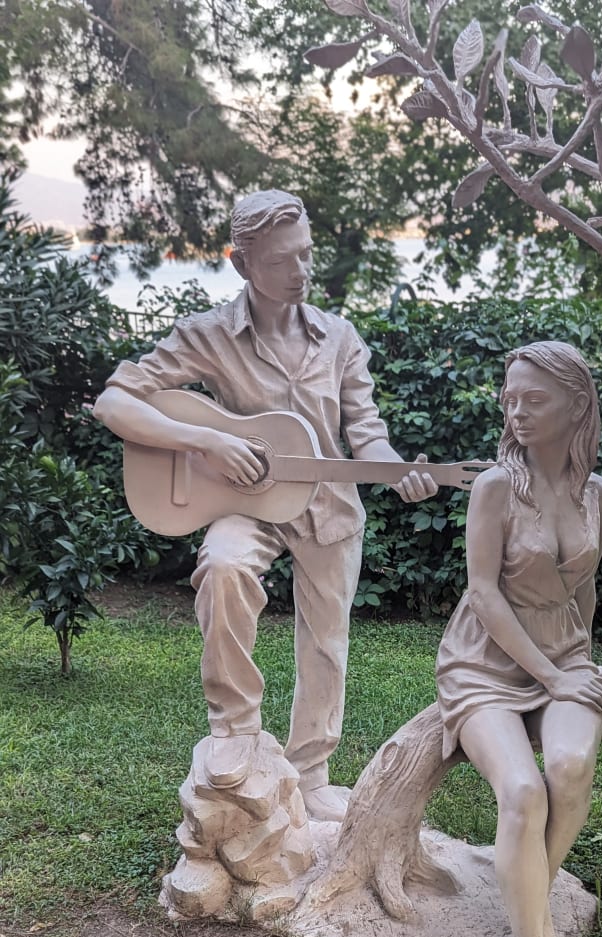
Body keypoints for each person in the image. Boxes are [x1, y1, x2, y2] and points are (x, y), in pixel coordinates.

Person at [94, 190, 437, 822]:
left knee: (326, 642)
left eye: (305, 253)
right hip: (246, 501)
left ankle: (311, 774)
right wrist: (206, 440)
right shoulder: (208, 335)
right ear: (241, 263)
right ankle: (235, 729)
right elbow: (114, 401)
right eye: (281, 261)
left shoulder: (340, 338)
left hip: (328, 505)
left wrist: (398, 473)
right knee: (223, 567)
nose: (300, 271)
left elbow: (367, 432)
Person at [434, 341, 602, 937]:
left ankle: (530, 898)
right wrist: (550, 678)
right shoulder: (493, 488)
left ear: (577, 405)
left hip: (565, 653)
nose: (516, 412)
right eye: (509, 399)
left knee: (569, 768)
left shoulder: (599, 495)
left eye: (533, 399)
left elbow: (585, 586)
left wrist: (580, 662)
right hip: (484, 659)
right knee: (521, 791)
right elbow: (483, 593)